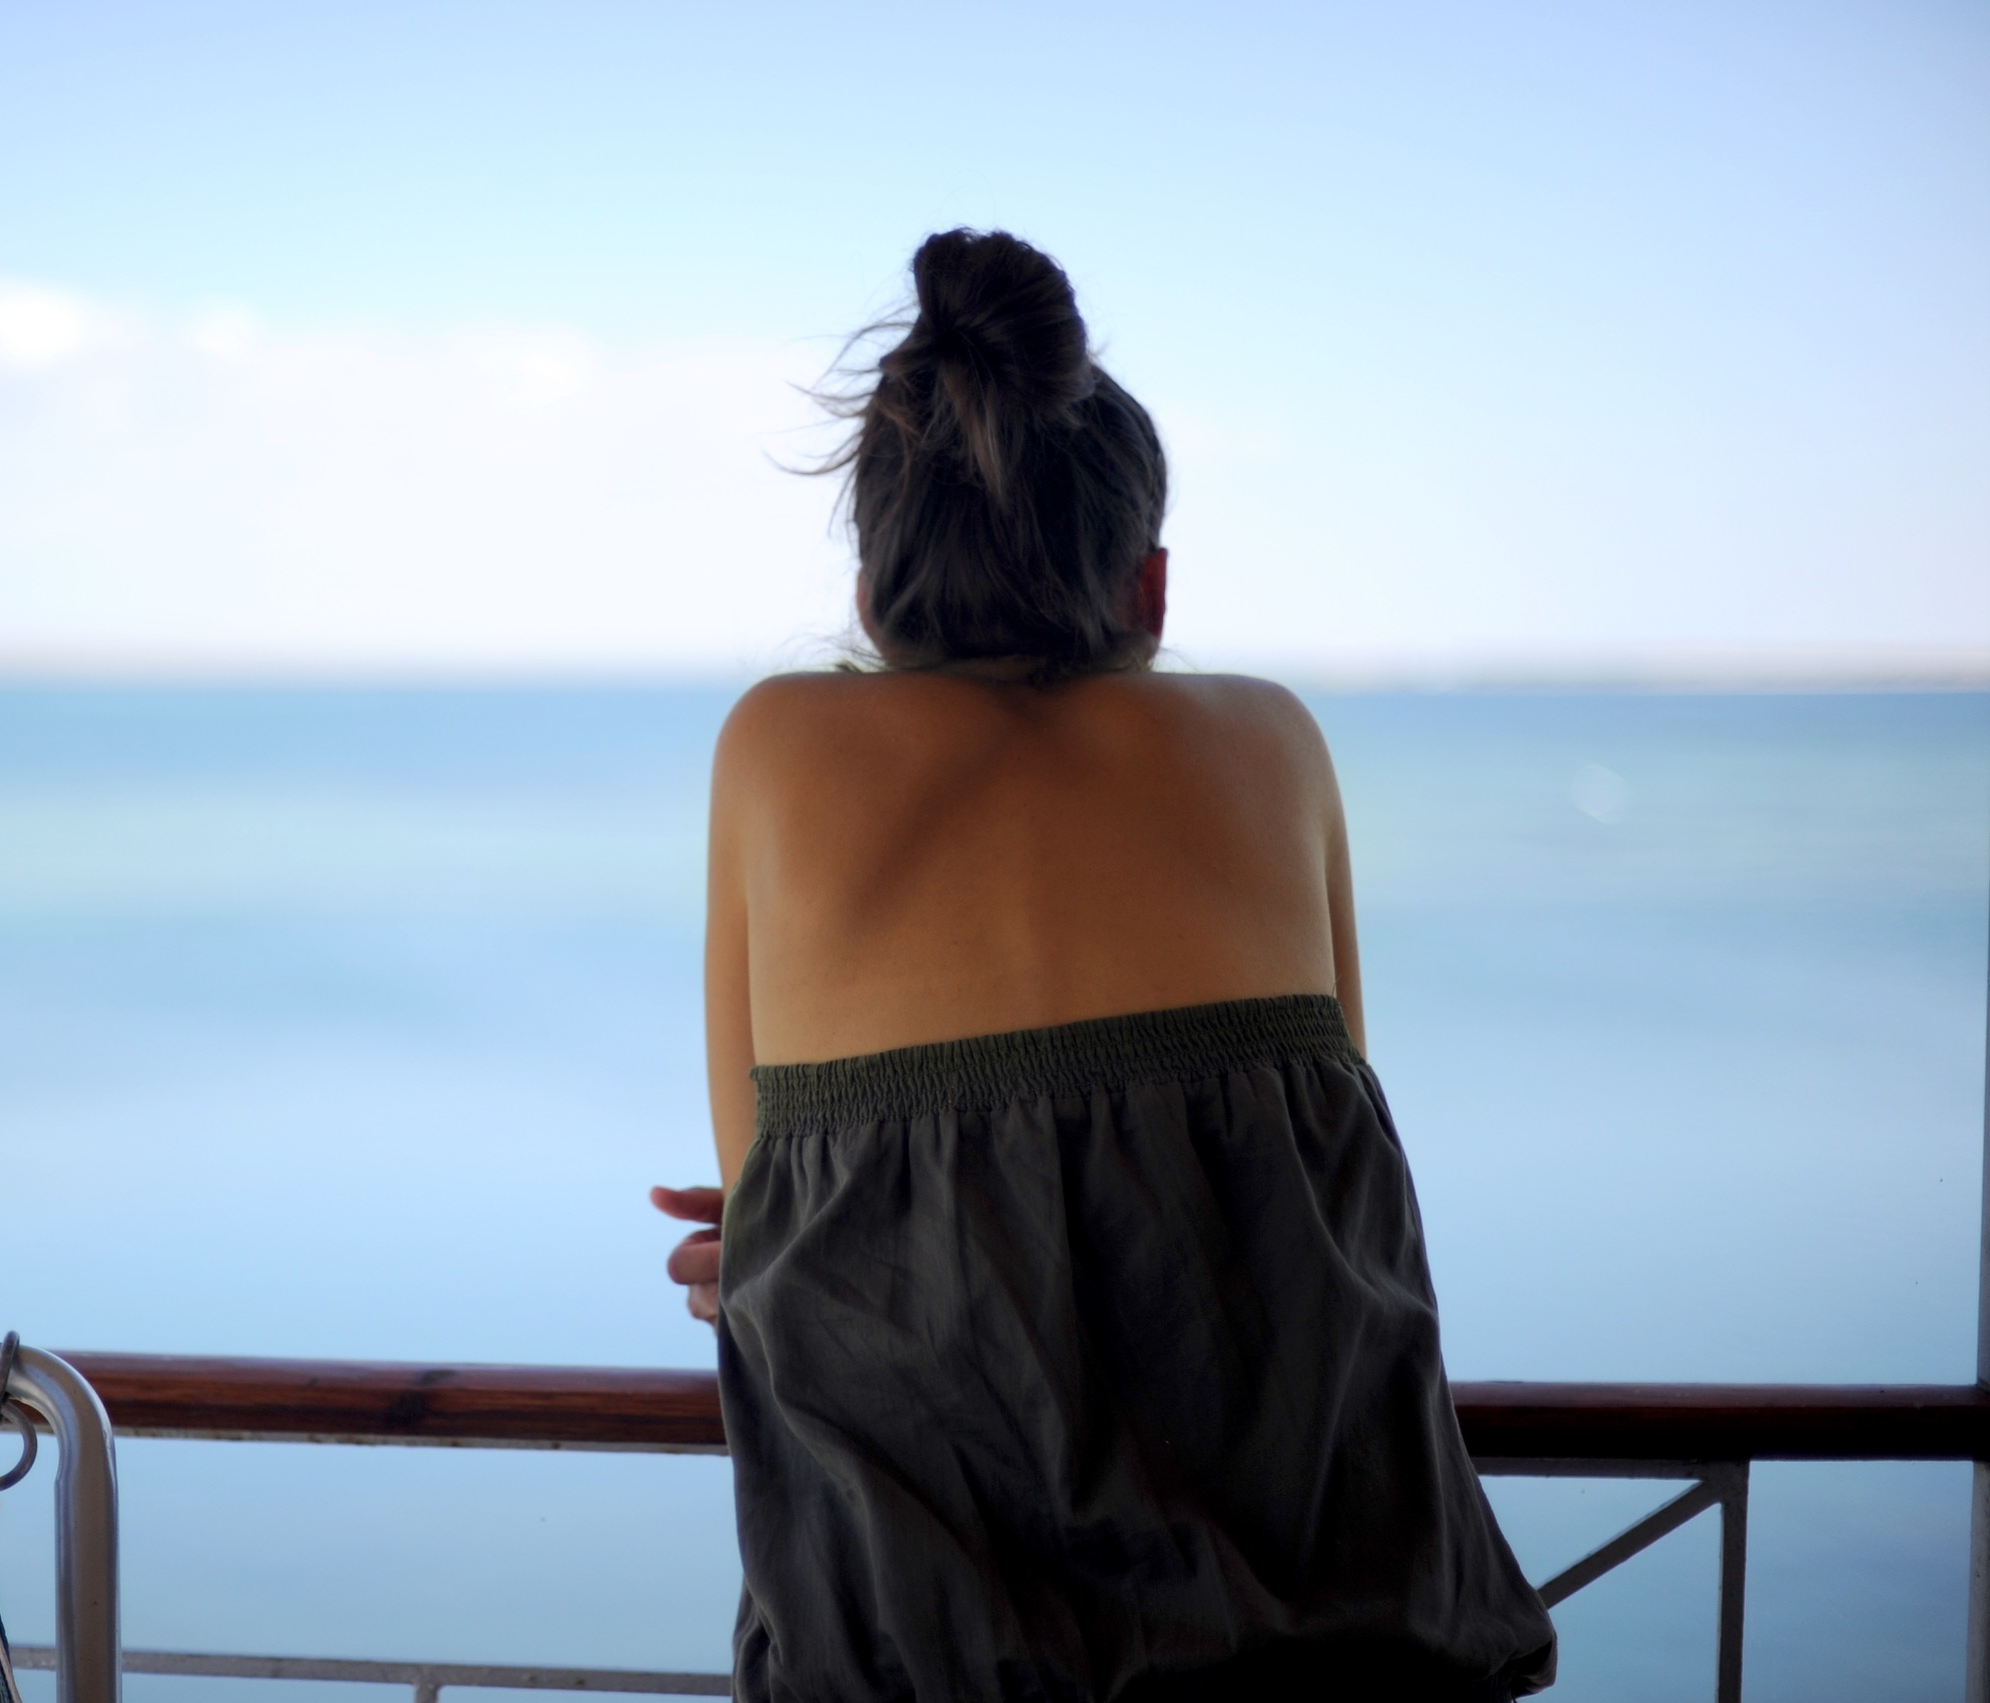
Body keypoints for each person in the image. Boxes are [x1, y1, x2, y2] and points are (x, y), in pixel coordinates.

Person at [648, 230, 1557, 1702]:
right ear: (1153, 587)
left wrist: (812, 1224)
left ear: (874, 594)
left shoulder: (777, 747)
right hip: (1342, 1639)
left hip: (927, 1657)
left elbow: (752, 1212)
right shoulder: (1273, 744)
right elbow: (1322, 1180)